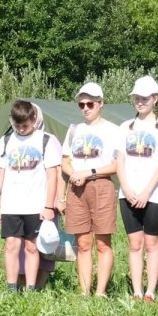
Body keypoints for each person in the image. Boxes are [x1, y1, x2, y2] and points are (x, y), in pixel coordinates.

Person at [0, 99, 62, 292]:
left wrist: (48, 206)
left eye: (25, 125)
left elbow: (53, 174)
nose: (21, 129)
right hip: (11, 205)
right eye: (17, 125)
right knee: (11, 246)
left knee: (32, 247)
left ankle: (30, 289)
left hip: (36, 205)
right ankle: (11, 288)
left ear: (34, 118)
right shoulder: (5, 141)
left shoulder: (44, 140)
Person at [61, 82, 121, 296]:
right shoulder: (74, 129)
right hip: (77, 189)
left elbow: (116, 166)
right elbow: (65, 161)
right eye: (81, 104)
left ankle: (101, 292)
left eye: (90, 104)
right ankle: (85, 292)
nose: (85, 108)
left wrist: (89, 172)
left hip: (101, 186)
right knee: (83, 243)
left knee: (103, 243)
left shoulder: (113, 130)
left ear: (100, 104)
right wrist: (72, 174)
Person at [116, 75, 158, 301]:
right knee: (134, 243)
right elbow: (119, 161)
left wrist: (147, 192)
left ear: (155, 99)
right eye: (137, 98)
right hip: (127, 193)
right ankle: (137, 291)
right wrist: (127, 189)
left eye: (145, 98)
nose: (140, 102)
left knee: (152, 242)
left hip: (154, 194)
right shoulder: (125, 127)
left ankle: (151, 291)